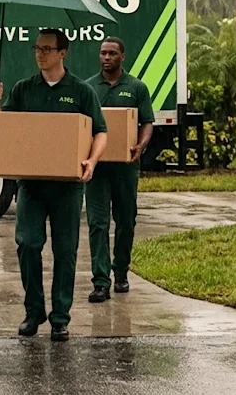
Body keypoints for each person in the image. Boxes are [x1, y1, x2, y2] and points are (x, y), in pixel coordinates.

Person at [0, 28, 107, 342]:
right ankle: (34, 311)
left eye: (46, 49)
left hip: (68, 187)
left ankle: (60, 318)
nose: (40, 54)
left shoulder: (81, 91)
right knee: (27, 243)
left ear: (62, 52)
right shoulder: (25, 89)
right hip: (31, 184)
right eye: (36, 48)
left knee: (65, 252)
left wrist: (91, 162)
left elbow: (100, 132)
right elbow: (1, 130)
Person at [85, 37, 155, 302]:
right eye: (103, 53)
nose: (106, 58)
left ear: (122, 57)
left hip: (126, 167)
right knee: (97, 223)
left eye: (112, 53)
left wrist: (141, 145)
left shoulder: (136, 87)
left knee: (125, 220)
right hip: (98, 167)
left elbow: (147, 122)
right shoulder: (89, 87)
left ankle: (121, 272)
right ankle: (100, 281)